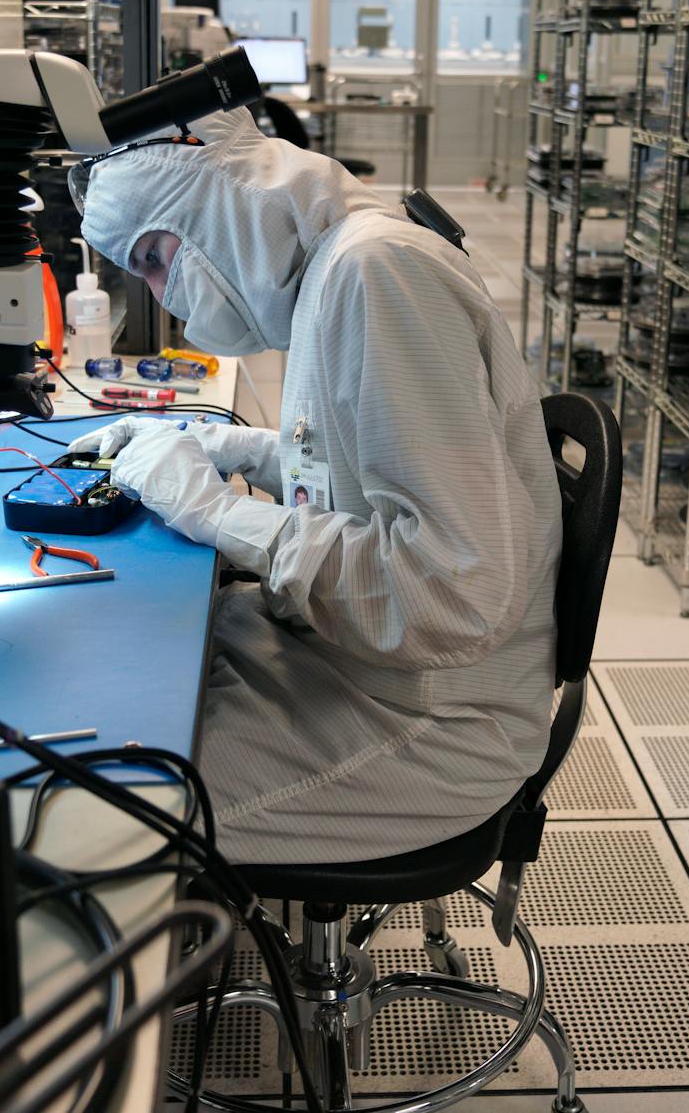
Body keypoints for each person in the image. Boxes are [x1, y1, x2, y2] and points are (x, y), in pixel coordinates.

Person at [69, 108, 563, 865]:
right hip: (365, 664)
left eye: (157, 259)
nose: (164, 296)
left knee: (89, 818)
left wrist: (216, 511)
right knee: (114, 689)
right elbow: (367, 461)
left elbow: (455, 596)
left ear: (216, 208)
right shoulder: (339, 264)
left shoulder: (378, 273)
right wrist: (232, 447)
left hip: (430, 720)